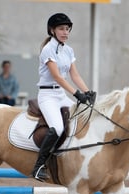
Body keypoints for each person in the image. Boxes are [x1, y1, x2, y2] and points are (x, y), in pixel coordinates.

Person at [31, 13, 94, 181]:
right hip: (47, 96)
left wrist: (87, 92)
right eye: (61, 29)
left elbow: (75, 75)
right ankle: (38, 166)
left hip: (60, 94)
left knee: (84, 116)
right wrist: (76, 94)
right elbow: (58, 77)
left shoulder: (68, 50)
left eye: (67, 29)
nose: (65, 32)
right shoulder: (48, 49)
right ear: (52, 30)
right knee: (58, 128)